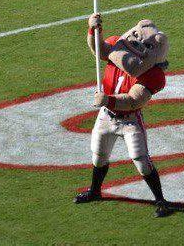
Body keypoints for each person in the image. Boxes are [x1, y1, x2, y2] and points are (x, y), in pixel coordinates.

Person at [74, 12, 173, 217]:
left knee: (141, 161)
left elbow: (134, 100)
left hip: (130, 120)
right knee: (99, 156)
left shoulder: (154, 75)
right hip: (106, 115)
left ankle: (161, 200)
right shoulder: (117, 46)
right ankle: (95, 191)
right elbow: (98, 49)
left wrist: (108, 99)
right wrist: (94, 30)